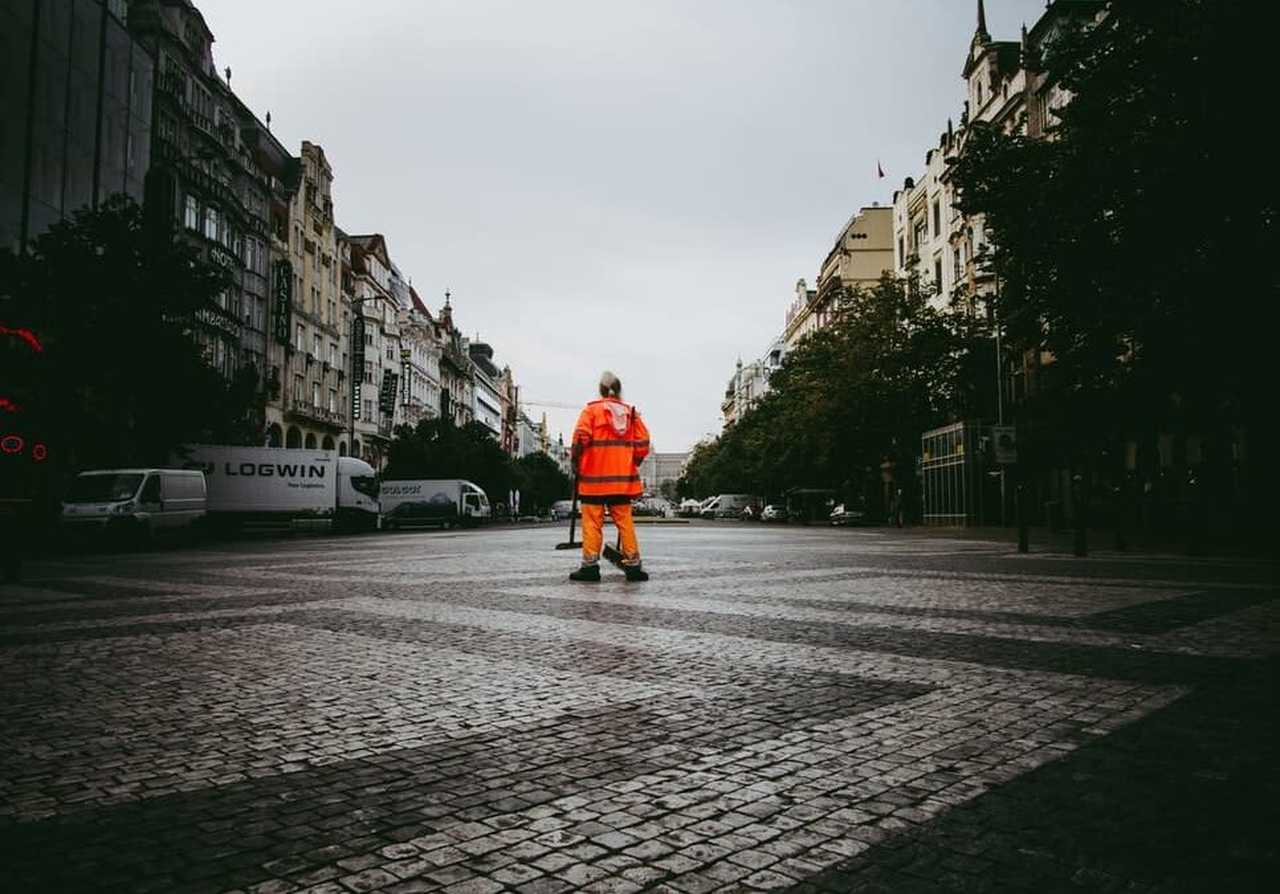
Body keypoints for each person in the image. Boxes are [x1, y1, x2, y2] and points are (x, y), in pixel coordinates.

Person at [569, 371, 650, 582]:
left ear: (601, 390)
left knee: (592, 523)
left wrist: (575, 461)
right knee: (625, 522)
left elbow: (580, 437)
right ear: (619, 390)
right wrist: (634, 461)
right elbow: (643, 442)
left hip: (593, 479)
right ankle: (633, 565)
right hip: (622, 481)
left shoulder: (591, 411)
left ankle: (590, 566)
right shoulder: (631, 414)